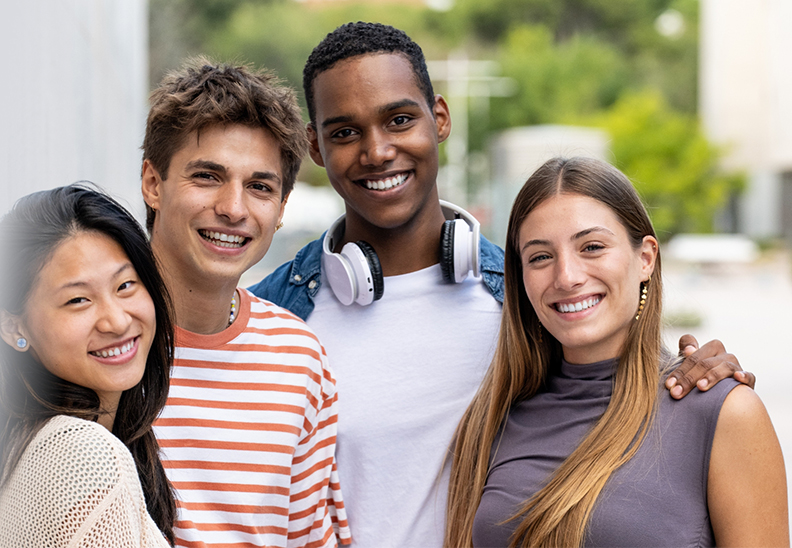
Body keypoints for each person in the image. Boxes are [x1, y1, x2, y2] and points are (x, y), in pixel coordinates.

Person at [248, 22, 753, 547]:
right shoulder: (272, 320)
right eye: (345, 132)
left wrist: (692, 373)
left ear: (439, 119)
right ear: (314, 145)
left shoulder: (526, 299)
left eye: (399, 119)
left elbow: (620, 383)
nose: (377, 151)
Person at [443, 157, 788, 546]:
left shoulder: (721, 412)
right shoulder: (493, 417)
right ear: (520, 277)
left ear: (645, 259)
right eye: (540, 256)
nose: (567, 277)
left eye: (591, 247)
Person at [140, 59, 349, 546]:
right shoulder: (100, 339)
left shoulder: (301, 359)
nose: (234, 208)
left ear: (281, 209)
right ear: (153, 183)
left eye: (259, 186)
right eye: (208, 176)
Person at [0, 184, 176, 547]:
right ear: (15, 327)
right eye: (78, 299)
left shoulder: (26, 441)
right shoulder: (84, 455)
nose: (117, 321)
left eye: (125, 285)